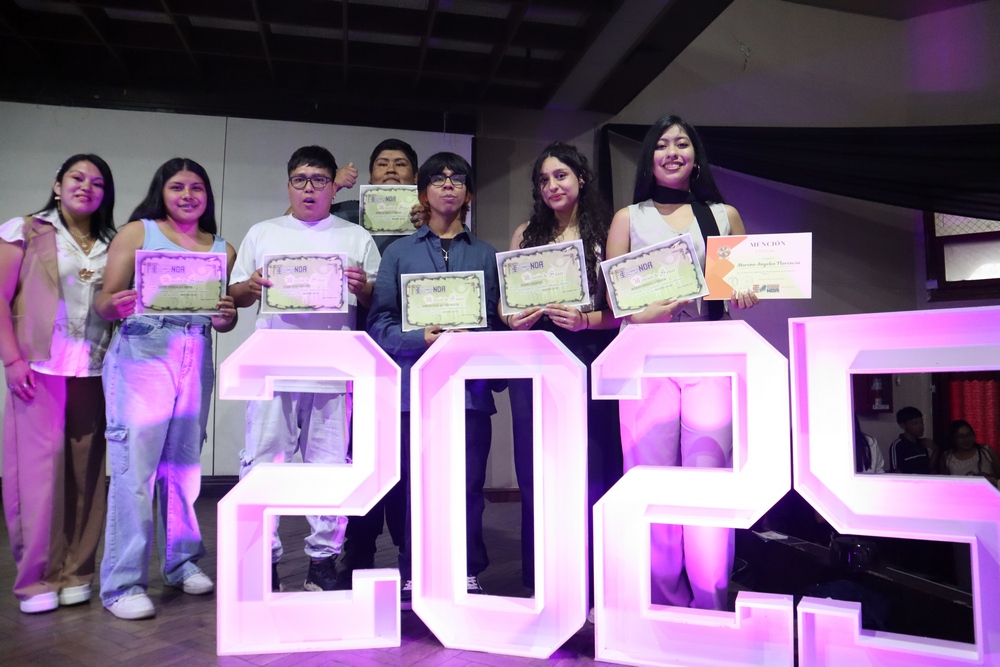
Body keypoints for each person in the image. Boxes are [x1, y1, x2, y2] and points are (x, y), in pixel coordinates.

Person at [605, 114, 759, 611]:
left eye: (682, 144)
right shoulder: (628, 218)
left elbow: (739, 286)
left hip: (709, 355)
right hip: (645, 357)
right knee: (649, 480)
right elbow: (614, 301)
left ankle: (710, 603)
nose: (672, 152)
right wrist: (644, 312)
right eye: (662, 144)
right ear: (649, 158)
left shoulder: (723, 214)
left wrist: (747, 291)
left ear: (696, 156)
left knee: (708, 479)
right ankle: (660, 603)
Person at [230, 145, 380, 593]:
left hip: (334, 370)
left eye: (319, 180)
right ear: (288, 186)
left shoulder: (356, 236)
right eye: (300, 180)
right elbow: (235, 294)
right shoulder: (263, 232)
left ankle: (322, 561)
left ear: (334, 187)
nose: (309, 188)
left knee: (329, 468)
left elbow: (377, 299)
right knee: (262, 464)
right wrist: (250, 286)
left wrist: (362, 287)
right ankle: (263, 558)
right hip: (272, 369)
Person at [96, 157, 237, 620]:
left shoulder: (222, 248)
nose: (188, 195)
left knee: (184, 467)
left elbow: (223, 318)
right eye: (177, 187)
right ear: (162, 190)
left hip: (195, 350)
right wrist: (115, 305)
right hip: (144, 349)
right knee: (134, 469)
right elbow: (104, 302)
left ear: (207, 196)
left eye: (197, 187)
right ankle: (123, 584)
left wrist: (226, 316)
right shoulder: (138, 232)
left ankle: (180, 563)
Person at [367, 152, 500, 608]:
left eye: (457, 178)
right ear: (423, 192)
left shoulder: (485, 254)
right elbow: (379, 325)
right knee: (413, 485)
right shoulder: (398, 253)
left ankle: (467, 569)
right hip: (413, 389)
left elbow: (496, 323)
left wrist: (476, 338)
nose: (448, 185)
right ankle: (414, 570)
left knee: (468, 487)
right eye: (438, 179)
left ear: (468, 192)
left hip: (469, 393)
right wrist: (417, 338)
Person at [503, 142, 622, 594]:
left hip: (591, 355)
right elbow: (506, 304)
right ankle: (543, 576)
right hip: (536, 358)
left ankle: (592, 578)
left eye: (561, 176)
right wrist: (513, 319)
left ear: (581, 179)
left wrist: (586, 320)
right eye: (544, 179)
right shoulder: (525, 233)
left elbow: (623, 309)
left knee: (593, 463)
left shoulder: (607, 232)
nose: (552, 185)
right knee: (538, 466)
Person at [1, 154, 116, 614]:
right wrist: (12, 359)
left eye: (97, 182)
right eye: (76, 177)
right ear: (57, 184)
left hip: (95, 370)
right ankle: (36, 581)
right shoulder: (24, 230)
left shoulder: (112, 242)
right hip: (39, 370)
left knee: (88, 477)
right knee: (37, 479)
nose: (86, 186)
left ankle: (76, 572)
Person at [938, 420, 1000, 486]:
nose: (966, 439)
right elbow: (945, 483)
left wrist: (988, 477)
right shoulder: (947, 457)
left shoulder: (987, 451)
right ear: (953, 439)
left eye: (969, 435)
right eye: (961, 436)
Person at [887, 406, 935, 474]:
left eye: (922, 422)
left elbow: (927, 469)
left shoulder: (922, 443)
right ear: (903, 426)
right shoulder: (898, 445)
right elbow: (896, 472)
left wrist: (935, 450)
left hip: (924, 480)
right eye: (915, 423)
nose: (921, 426)